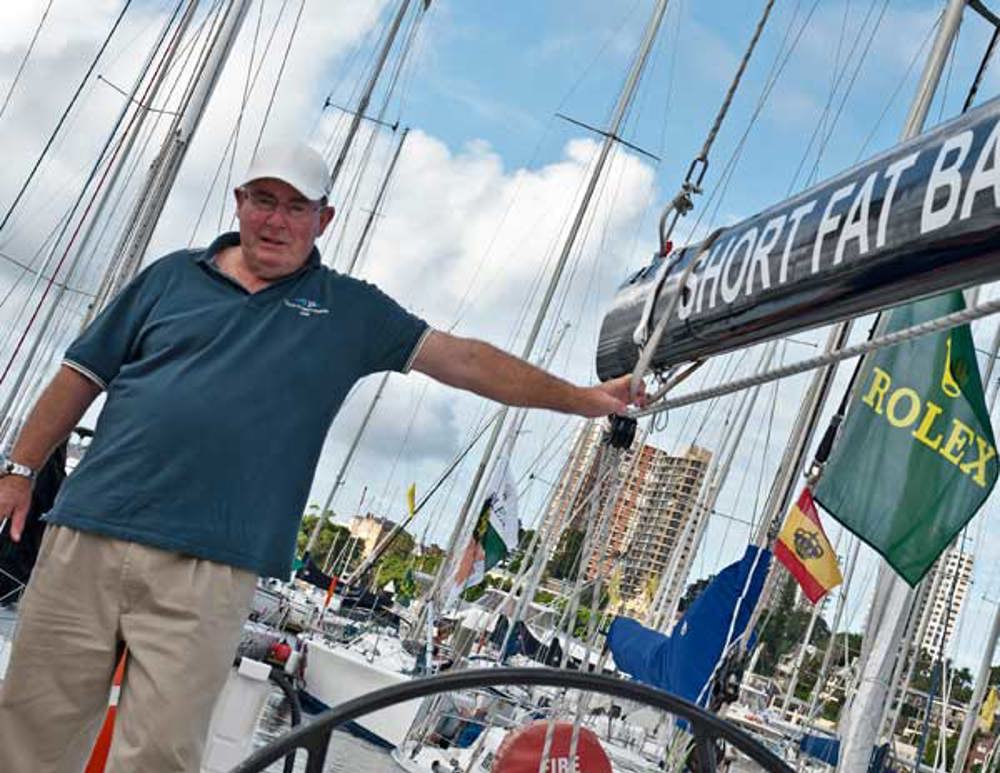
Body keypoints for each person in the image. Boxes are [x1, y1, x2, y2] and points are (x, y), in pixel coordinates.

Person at [0, 141, 641, 771]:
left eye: (294, 206)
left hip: (210, 564)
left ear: (322, 219)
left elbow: (465, 360)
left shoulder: (348, 310)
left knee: (161, 754)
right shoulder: (170, 276)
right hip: (87, 534)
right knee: (30, 726)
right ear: (240, 202)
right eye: (262, 200)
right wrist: (20, 470)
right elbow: (80, 374)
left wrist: (584, 399)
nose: (275, 219)